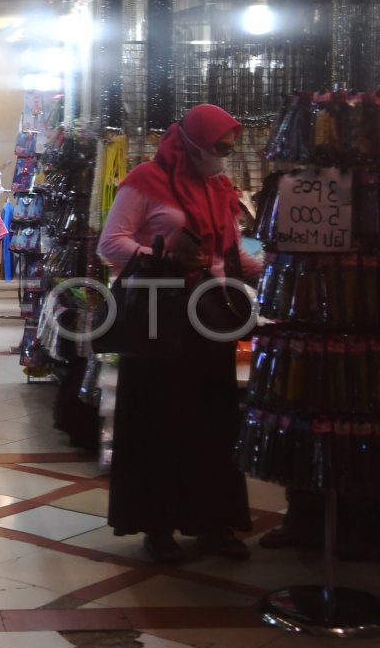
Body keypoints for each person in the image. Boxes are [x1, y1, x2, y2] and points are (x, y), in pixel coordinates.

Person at [97, 103, 262, 564]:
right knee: (160, 420)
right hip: (159, 316)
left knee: (212, 421)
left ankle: (214, 522)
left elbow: (227, 252)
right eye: (216, 145)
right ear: (190, 142)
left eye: (228, 146)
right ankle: (158, 523)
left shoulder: (219, 186)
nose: (222, 154)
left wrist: (275, 271)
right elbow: (111, 243)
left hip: (210, 316)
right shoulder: (147, 181)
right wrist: (162, 256)